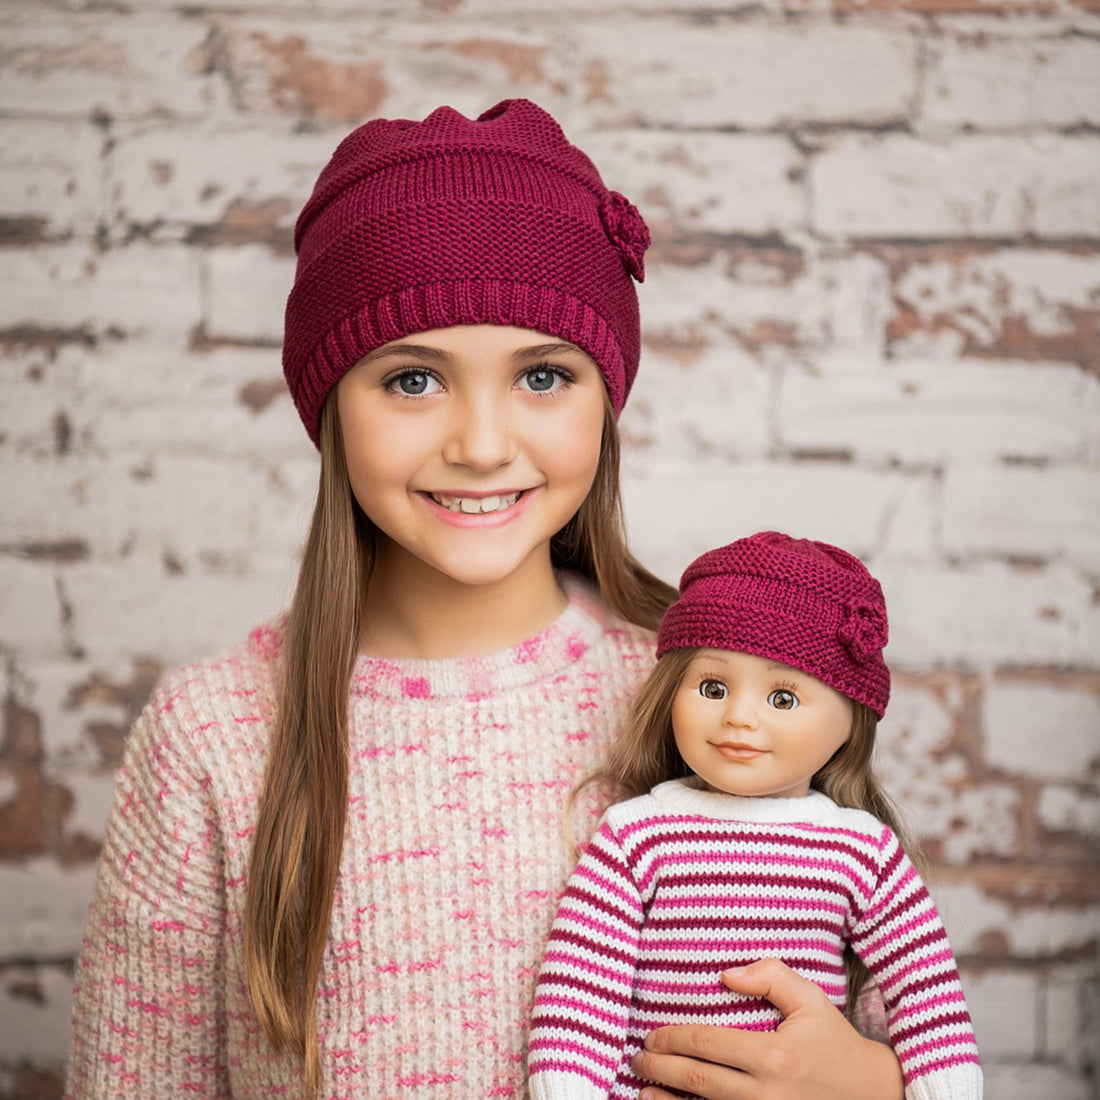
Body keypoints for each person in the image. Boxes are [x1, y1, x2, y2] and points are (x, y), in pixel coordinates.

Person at [66, 101, 905, 1099]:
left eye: (541, 375)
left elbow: (881, 1005)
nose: (478, 443)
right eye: (413, 378)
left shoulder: (706, 694)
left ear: (607, 397)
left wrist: (871, 1086)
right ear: (329, 406)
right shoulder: (214, 734)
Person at [527, 531, 982, 1100]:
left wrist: (946, 1084)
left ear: (851, 720)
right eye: (713, 686)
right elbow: (583, 981)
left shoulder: (860, 850)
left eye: (783, 698)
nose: (739, 717)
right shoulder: (636, 835)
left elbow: (923, 981)